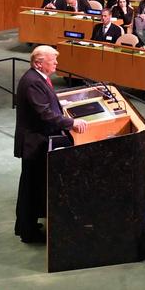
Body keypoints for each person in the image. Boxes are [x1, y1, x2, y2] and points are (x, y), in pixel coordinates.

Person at [13, 45, 87, 243]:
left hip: (38, 140)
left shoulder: (38, 79)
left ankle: (27, 226)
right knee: (30, 187)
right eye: (52, 60)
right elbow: (44, 114)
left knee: (33, 186)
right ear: (39, 63)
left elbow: (48, 105)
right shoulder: (32, 82)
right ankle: (27, 232)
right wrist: (71, 123)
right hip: (34, 143)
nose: (56, 63)